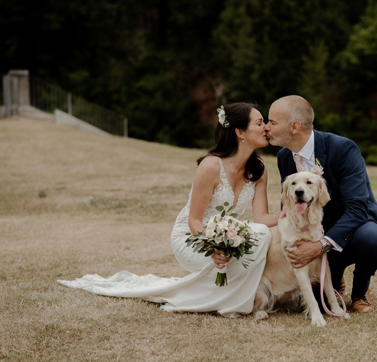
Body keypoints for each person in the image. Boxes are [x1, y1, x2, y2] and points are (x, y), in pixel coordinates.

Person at [58, 103, 281, 317]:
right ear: (240, 132)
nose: (266, 128)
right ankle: (218, 300)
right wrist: (212, 247)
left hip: (228, 238)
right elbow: (195, 220)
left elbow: (261, 218)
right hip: (192, 238)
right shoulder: (212, 166)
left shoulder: (258, 170)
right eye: (260, 123)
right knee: (238, 253)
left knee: (261, 233)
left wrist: (289, 215)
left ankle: (230, 300)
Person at [264, 95, 377, 314]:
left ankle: (361, 291)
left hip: (351, 230)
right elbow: (290, 205)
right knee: (306, 303)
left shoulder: (343, 148)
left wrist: (320, 245)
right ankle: (335, 277)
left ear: (294, 126)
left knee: (372, 238)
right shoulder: (284, 157)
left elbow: (357, 208)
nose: (267, 127)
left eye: (272, 122)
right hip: (313, 230)